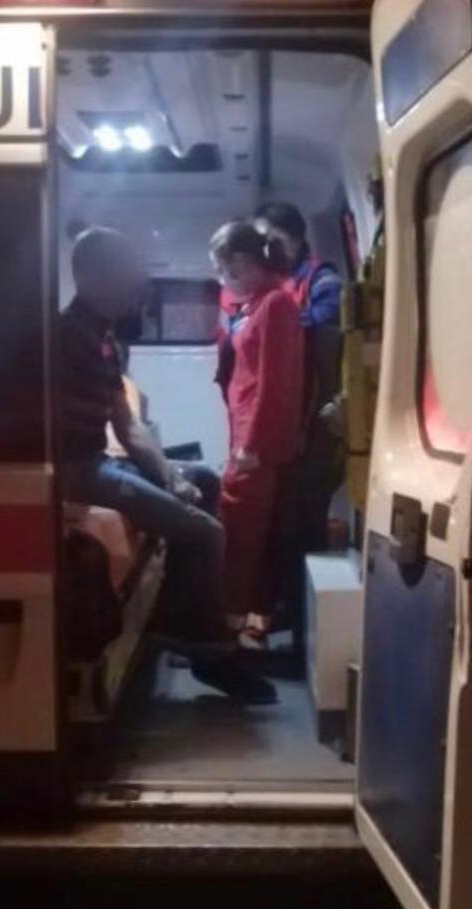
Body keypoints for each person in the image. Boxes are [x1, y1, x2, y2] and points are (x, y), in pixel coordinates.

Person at [59, 227, 274, 703]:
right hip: (74, 471)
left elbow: (128, 426)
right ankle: (205, 648)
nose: (134, 285)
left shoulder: (103, 337)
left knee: (203, 479)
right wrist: (167, 484)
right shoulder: (64, 338)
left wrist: (172, 478)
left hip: (99, 460)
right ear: (92, 276)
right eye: (124, 274)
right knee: (207, 533)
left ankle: (183, 618)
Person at [208, 221, 306, 649]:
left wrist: (254, 445)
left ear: (242, 262)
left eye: (223, 269)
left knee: (241, 535)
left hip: (256, 443)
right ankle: (243, 625)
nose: (223, 279)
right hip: (246, 434)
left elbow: (276, 382)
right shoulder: (257, 305)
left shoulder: (276, 305)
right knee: (245, 534)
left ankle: (228, 632)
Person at [253, 201, 345, 554]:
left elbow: (326, 323)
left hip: (314, 408)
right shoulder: (271, 282)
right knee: (281, 506)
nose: (267, 248)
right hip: (285, 408)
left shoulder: (322, 280)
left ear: (294, 238)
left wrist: (278, 323)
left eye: (272, 239)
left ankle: (305, 578)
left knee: (308, 502)